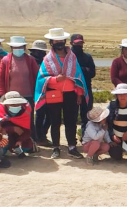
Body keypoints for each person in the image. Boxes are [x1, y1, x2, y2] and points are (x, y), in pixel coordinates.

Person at [34, 28, 88, 160]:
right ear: (51, 42)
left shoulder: (72, 57)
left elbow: (78, 76)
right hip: (54, 94)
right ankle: (56, 147)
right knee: (55, 121)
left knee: (71, 121)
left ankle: (71, 147)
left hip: (71, 94)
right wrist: (54, 79)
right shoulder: (47, 59)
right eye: (55, 40)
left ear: (64, 41)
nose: (59, 42)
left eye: (61, 40)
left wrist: (80, 94)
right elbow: (41, 78)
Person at [0, 36, 39, 139]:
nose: (18, 49)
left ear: (24, 47)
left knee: (28, 119)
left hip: (28, 96)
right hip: (11, 97)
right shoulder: (6, 60)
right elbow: (0, 78)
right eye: (15, 47)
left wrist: (36, 94)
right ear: (11, 48)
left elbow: (37, 76)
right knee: (12, 119)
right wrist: (4, 95)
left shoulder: (30, 60)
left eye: (20, 47)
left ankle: (29, 140)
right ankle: (13, 139)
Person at [0, 91, 37, 157]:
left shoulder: (25, 112)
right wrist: (12, 129)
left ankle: (22, 148)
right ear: (6, 105)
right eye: (12, 104)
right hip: (4, 137)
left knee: (27, 146)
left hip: (18, 138)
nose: (16, 106)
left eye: (18, 104)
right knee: (0, 150)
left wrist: (20, 140)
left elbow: (27, 131)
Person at [71, 34, 96, 137]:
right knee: (72, 116)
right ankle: (72, 139)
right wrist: (84, 70)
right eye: (77, 43)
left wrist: (80, 70)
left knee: (86, 116)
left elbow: (93, 73)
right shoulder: (68, 57)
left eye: (80, 43)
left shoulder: (87, 57)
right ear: (71, 43)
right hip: (71, 91)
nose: (79, 45)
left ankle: (84, 137)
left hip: (86, 90)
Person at [29, 40, 51, 145]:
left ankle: (42, 135)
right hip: (35, 91)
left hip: (46, 90)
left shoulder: (45, 61)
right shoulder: (30, 61)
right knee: (40, 115)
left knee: (48, 115)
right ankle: (38, 137)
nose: (43, 54)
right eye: (40, 52)